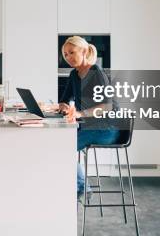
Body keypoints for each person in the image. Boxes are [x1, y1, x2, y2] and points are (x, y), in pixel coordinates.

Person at [58, 36, 119, 201]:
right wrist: (63, 106)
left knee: (62, 148)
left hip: (107, 128)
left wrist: (80, 114)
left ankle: (82, 187)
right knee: (60, 145)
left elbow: (107, 106)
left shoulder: (95, 72)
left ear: (84, 51)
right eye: (65, 54)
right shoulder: (74, 74)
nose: (68, 57)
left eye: (72, 52)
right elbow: (64, 99)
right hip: (89, 127)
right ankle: (78, 186)